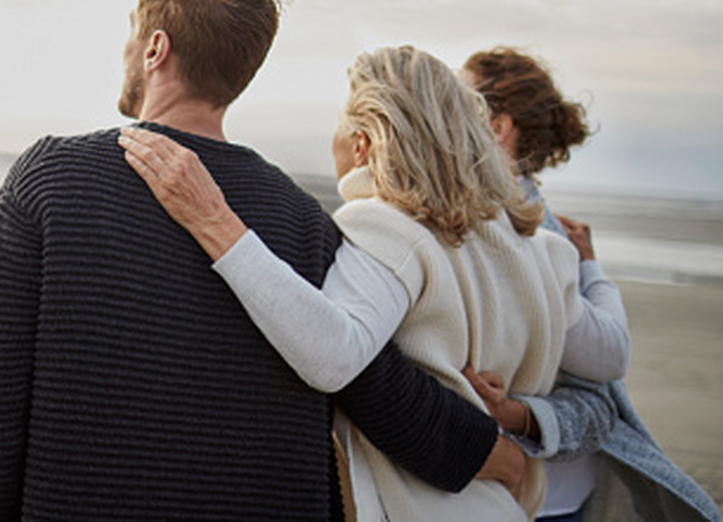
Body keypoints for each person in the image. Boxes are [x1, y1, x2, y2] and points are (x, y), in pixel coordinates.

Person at [0, 0, 516, 520]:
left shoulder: (51, 180)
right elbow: (375, 389)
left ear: (155, 49)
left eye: (132, 36)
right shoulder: (305, 221)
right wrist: (496, 451)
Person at [118, 44, 632, 521]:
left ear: (363, 143)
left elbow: (334, 354)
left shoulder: (387, 226)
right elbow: (607, 357)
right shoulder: (543, 249)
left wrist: (216, 223)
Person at [461, 47, 722, 522]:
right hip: (516, 488)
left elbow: (605, 362)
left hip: (548, 496)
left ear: (498, 128)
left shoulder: (539, 234)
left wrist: (591, 269)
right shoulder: (491, 215)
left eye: (460, 103)